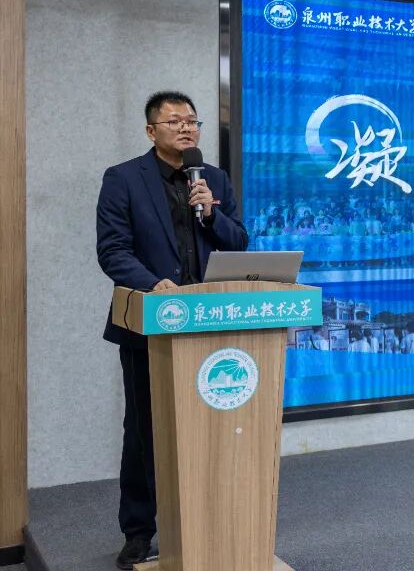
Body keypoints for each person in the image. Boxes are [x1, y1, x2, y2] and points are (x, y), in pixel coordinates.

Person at [96, 91, 248, 570]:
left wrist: (212, 214)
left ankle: (205, 521)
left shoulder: (213, 179)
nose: (186, 128)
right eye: (175, 121)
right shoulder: (124, 178)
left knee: (210, 424)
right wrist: (152, 283)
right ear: (151, 131)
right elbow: (113, 250)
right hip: (151, 322)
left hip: (209, 323)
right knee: (146, 428)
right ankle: (139, 531)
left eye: (192, 121)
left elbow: (239, 242)